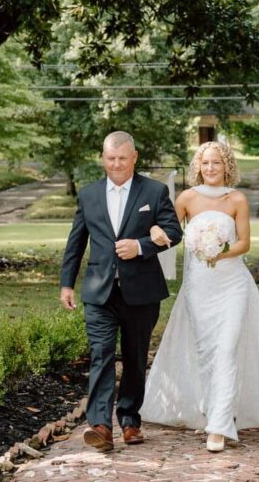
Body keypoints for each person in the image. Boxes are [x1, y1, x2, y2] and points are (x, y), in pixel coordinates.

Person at [140, 139, 259, 452]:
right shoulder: (187, 198)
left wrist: (220, 250)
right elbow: (169, 230)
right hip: (199, 287)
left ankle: (219, 426)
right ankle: (208, 406)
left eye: (217, 162)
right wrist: (156, 232)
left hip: (232, 285)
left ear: (227, 166)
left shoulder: (236, 199)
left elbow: (244, 244)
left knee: (226, 350)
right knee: (205, 352)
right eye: (205, 163)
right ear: (198, 166)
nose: (211, 168)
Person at [60, 131, 183, 452]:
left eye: (122, 159)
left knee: (134, 356)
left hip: (142, 292)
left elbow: (173, 232)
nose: (116, 164)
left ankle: (129, 420)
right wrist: (66, 283)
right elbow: (76, 242)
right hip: (99, 292)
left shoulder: (154, 192)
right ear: (103, 158)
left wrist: (141, 246)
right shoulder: (88, 195)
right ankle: (100, 425)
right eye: (110, 158)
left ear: (134, 157)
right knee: (101, 355)